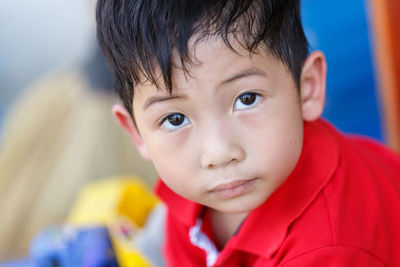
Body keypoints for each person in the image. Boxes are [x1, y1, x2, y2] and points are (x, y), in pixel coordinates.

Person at [96, 0, 400, 266]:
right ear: (136, 133)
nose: (219, 153)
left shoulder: (331, 249)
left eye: (247, 99)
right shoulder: (190, 196)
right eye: (175, 119)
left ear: (307, 88)